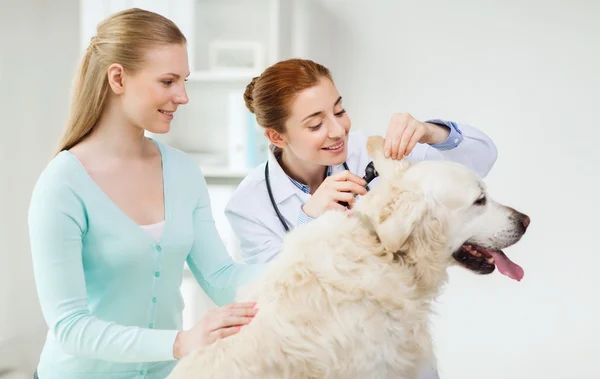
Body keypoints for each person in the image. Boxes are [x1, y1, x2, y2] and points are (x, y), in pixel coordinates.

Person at [224, 58, 499, 379]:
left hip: (398, 342)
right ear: (277, 136)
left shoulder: (369, 153)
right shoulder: (250, 205)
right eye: (315, 125)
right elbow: (269, 298)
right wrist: (310, 219)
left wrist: (430, 132)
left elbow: (481, 160)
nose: (338, 130)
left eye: (339, 111)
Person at [28, 8, 264, 379]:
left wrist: (310, 260)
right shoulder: (62, 184)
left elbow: (221, 277)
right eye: (168, 81)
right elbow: (70, 326)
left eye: (183, 81)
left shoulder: (183, 172)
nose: (183, 96)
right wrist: (180, 342)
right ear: (118, 78)